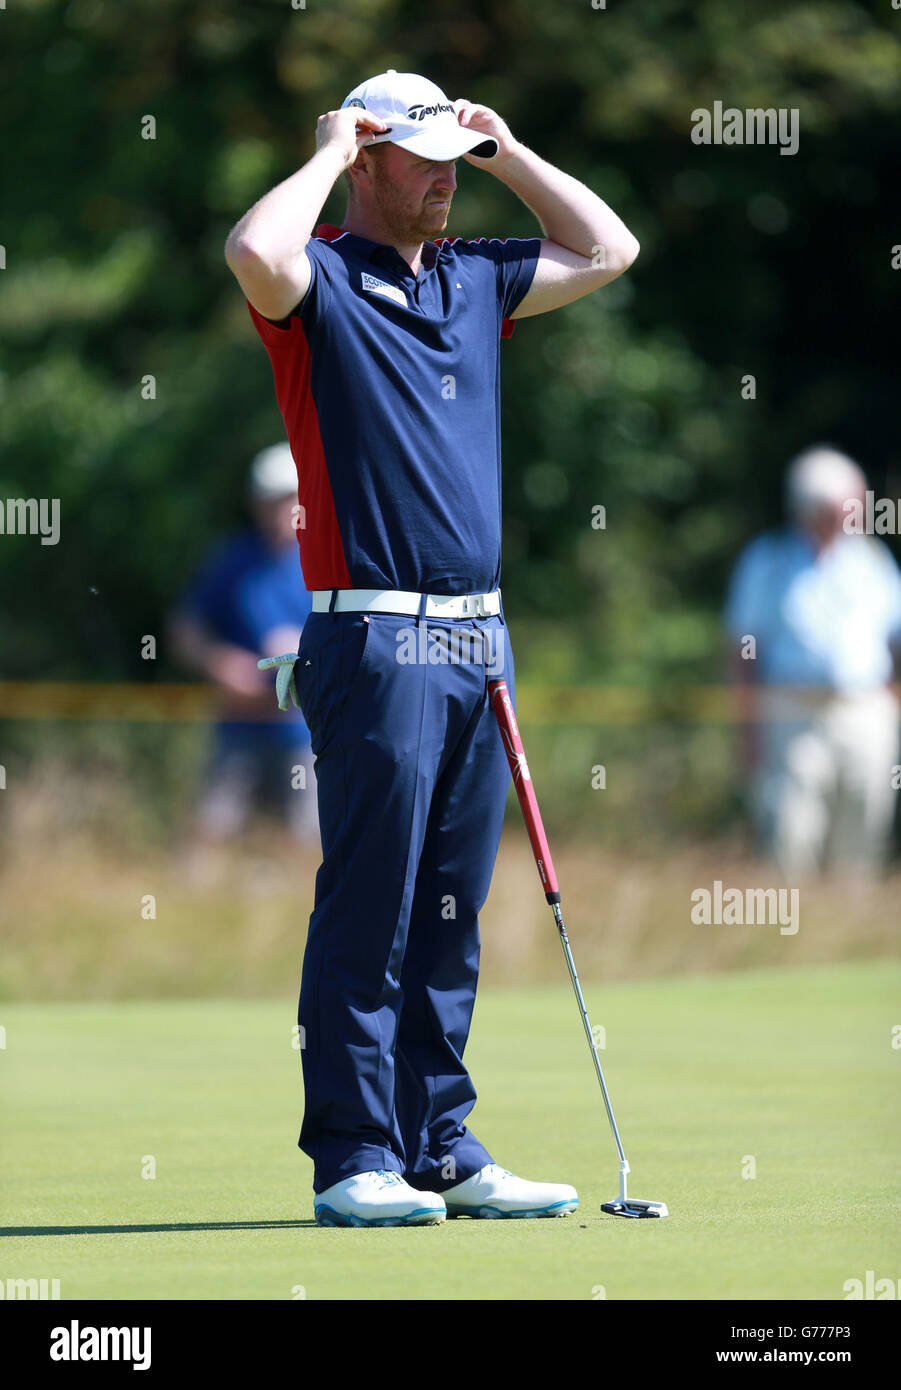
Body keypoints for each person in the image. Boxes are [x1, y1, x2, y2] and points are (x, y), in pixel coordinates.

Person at [225, 70, 640, 1226]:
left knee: (452, 907)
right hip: (372, 634)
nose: (444, 178)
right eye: (422, 157)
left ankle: (440, 1144)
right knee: (374, 902)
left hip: (479, 636)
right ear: (367, 161)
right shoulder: (321, 281)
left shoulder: (476, 276)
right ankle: (355, 1155)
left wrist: (506, 149)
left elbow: (610, 249)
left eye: (454, 158)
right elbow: (253, 252)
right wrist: (324, 149)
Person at [725, 444, 901, 877]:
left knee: (863, 832)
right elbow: (742, 652)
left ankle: (849, 933)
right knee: (790, 834)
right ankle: (792, 937)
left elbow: (896, 641)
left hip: (865, 712)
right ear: (804, 508)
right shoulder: (766, 560)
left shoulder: (874, 560)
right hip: (790, 711)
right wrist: (747, 729)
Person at [168, 443, 318, 846]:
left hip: (307, 734)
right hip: (239, 726)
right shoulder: (232, 560)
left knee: (308, 844)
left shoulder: (327, 559)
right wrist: (217, 662)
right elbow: (185, 627)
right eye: (270, 500)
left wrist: (305, 659)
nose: (278, 510)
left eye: (287, 498)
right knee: (210, 835)